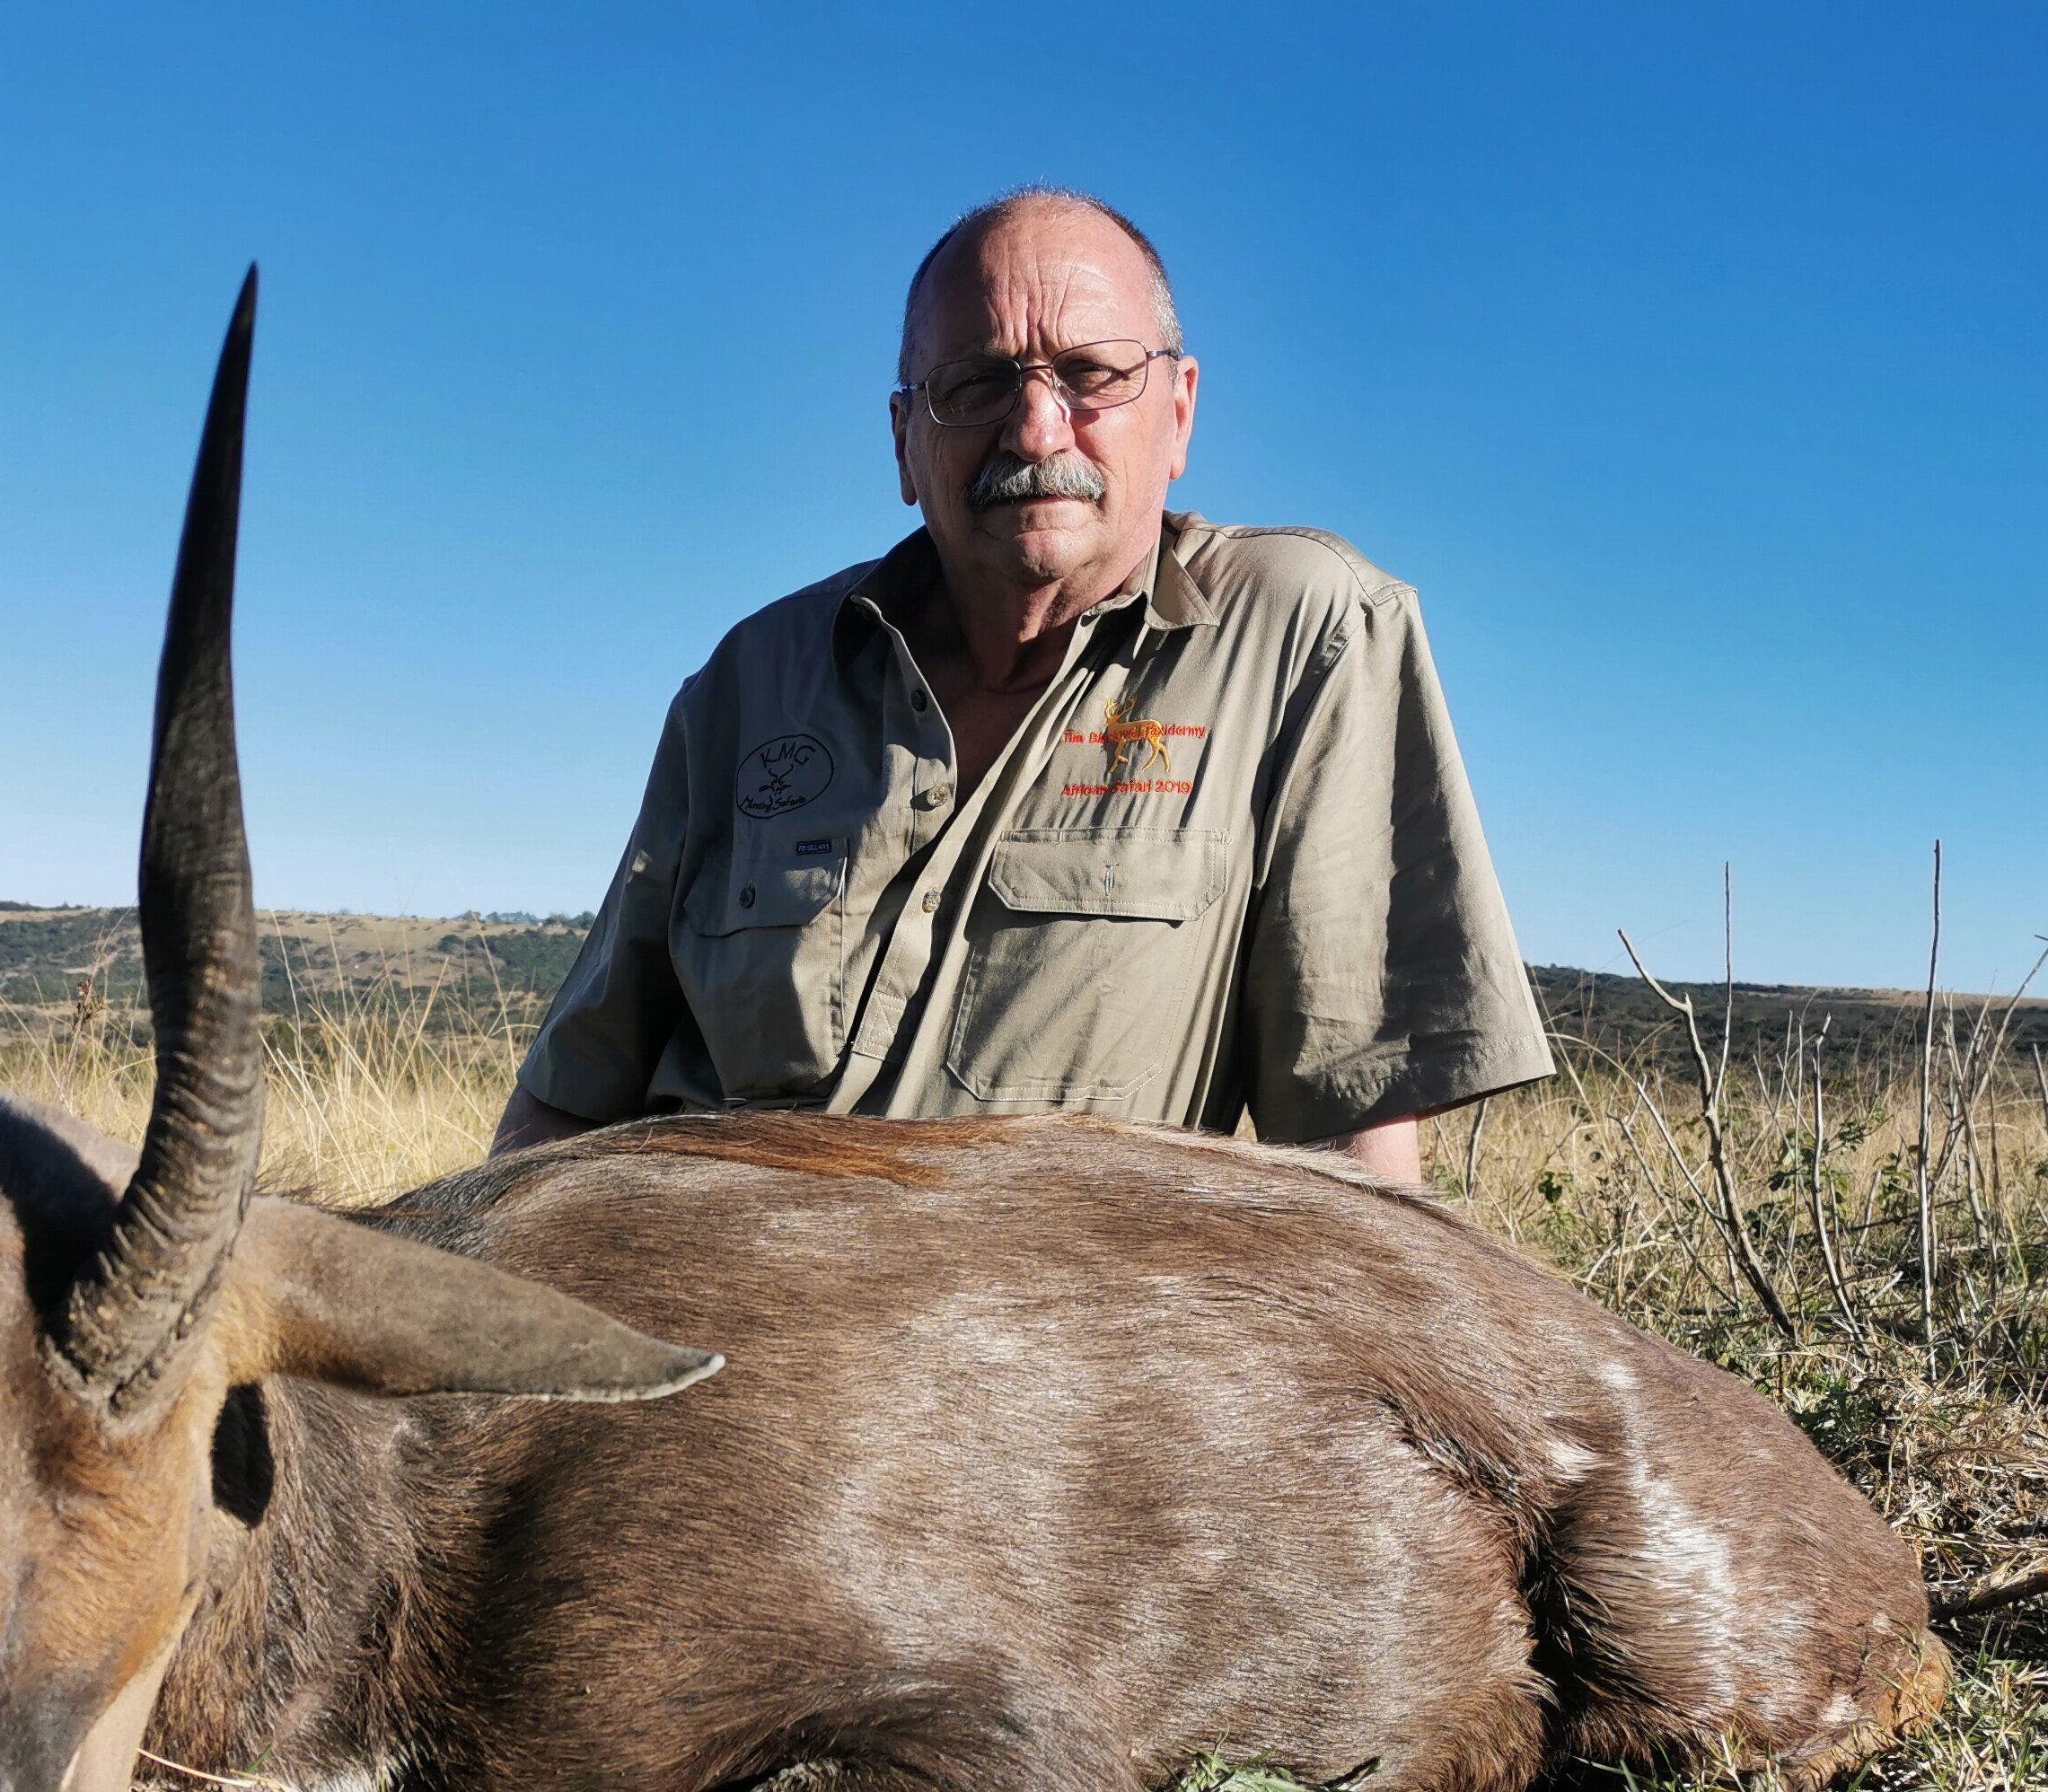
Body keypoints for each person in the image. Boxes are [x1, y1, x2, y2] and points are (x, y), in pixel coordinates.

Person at [496, 188, 1551, 1186]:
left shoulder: (1303, 633)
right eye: (976, 384)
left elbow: (1353, 1136)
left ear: (1179, 414)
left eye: (1091, 374)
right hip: (700, 1313)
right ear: (907, 442)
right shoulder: (750, 678)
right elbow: (569, 1099)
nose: (1036, 429)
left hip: (1038, 1366)